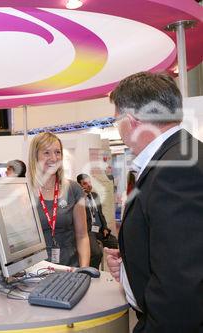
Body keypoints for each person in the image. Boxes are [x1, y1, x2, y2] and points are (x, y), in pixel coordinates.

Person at [105, 72, 203, 332]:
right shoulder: (181, 156)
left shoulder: (176, 169)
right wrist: (130, 266)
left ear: (130, 121)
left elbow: (180, 287)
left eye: (117, 121)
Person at [27, 132, 90, 267]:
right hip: (36, 271)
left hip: (69, 268)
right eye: (47, 153)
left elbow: (82, 236)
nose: (54, 158)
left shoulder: (73, 189)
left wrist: (84, 270)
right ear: (35, 156)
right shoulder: (24, 192)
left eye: (57, 152)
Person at [76, 174, 118, 269]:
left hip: (100, 230)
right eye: (85, 183)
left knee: (115, 243)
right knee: (97, 253)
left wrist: (105, 227)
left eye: (89, 182)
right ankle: (91, 272)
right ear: (79, 185)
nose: (89, 185)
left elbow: (100, 214)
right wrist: (82, 197)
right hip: (89, 231)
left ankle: (116, 269)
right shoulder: (78, 198)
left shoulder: (95, 195)